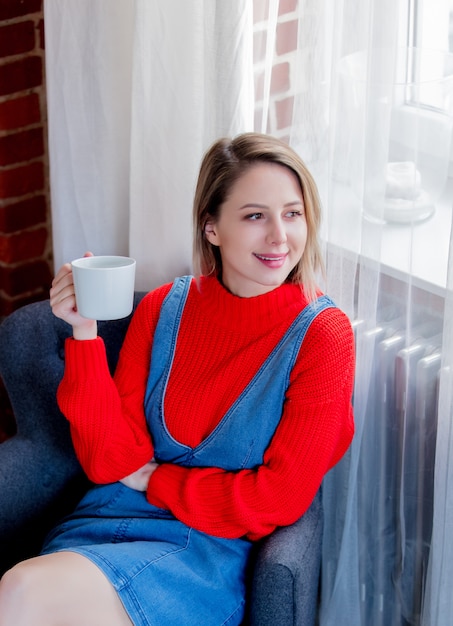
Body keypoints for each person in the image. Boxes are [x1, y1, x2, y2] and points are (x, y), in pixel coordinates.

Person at [0, 132, 355, 625]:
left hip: (202, 550)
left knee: (19, 592)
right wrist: (83, 334)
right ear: (212, 228)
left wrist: (158, 479)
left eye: (292, 213)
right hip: (104, 519)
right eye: (256, 215)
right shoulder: (164, 307)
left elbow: (281, 496)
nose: (280, 237)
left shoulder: (322, 335)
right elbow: (108, 462)